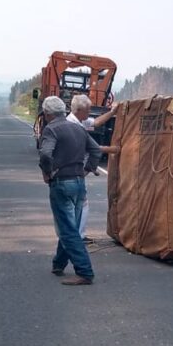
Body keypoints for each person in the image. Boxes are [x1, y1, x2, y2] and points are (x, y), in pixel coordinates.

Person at [38, 95, 102, 285]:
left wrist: (47, 172)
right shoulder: (77, 128)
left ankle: (85, 271)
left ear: (48, 114)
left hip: (61, 183)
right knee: (71, 226)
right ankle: (58, 264)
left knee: (67, 230)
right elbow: (96, 150)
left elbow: (45, 153)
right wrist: (88, 169)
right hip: (79, 183)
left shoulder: (51, 129)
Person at [66, 94, 119, 241]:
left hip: (76, 169)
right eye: (88, 110)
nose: (89, 113)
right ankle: (77, 236)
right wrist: (113, 149)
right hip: (74, 170)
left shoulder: (78, 121)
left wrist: (112, 112)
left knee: (78, 203)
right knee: (80, 204)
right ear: (79, 110)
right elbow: (91, 148)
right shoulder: (74, 126)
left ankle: (76, 235)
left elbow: (96, 123)